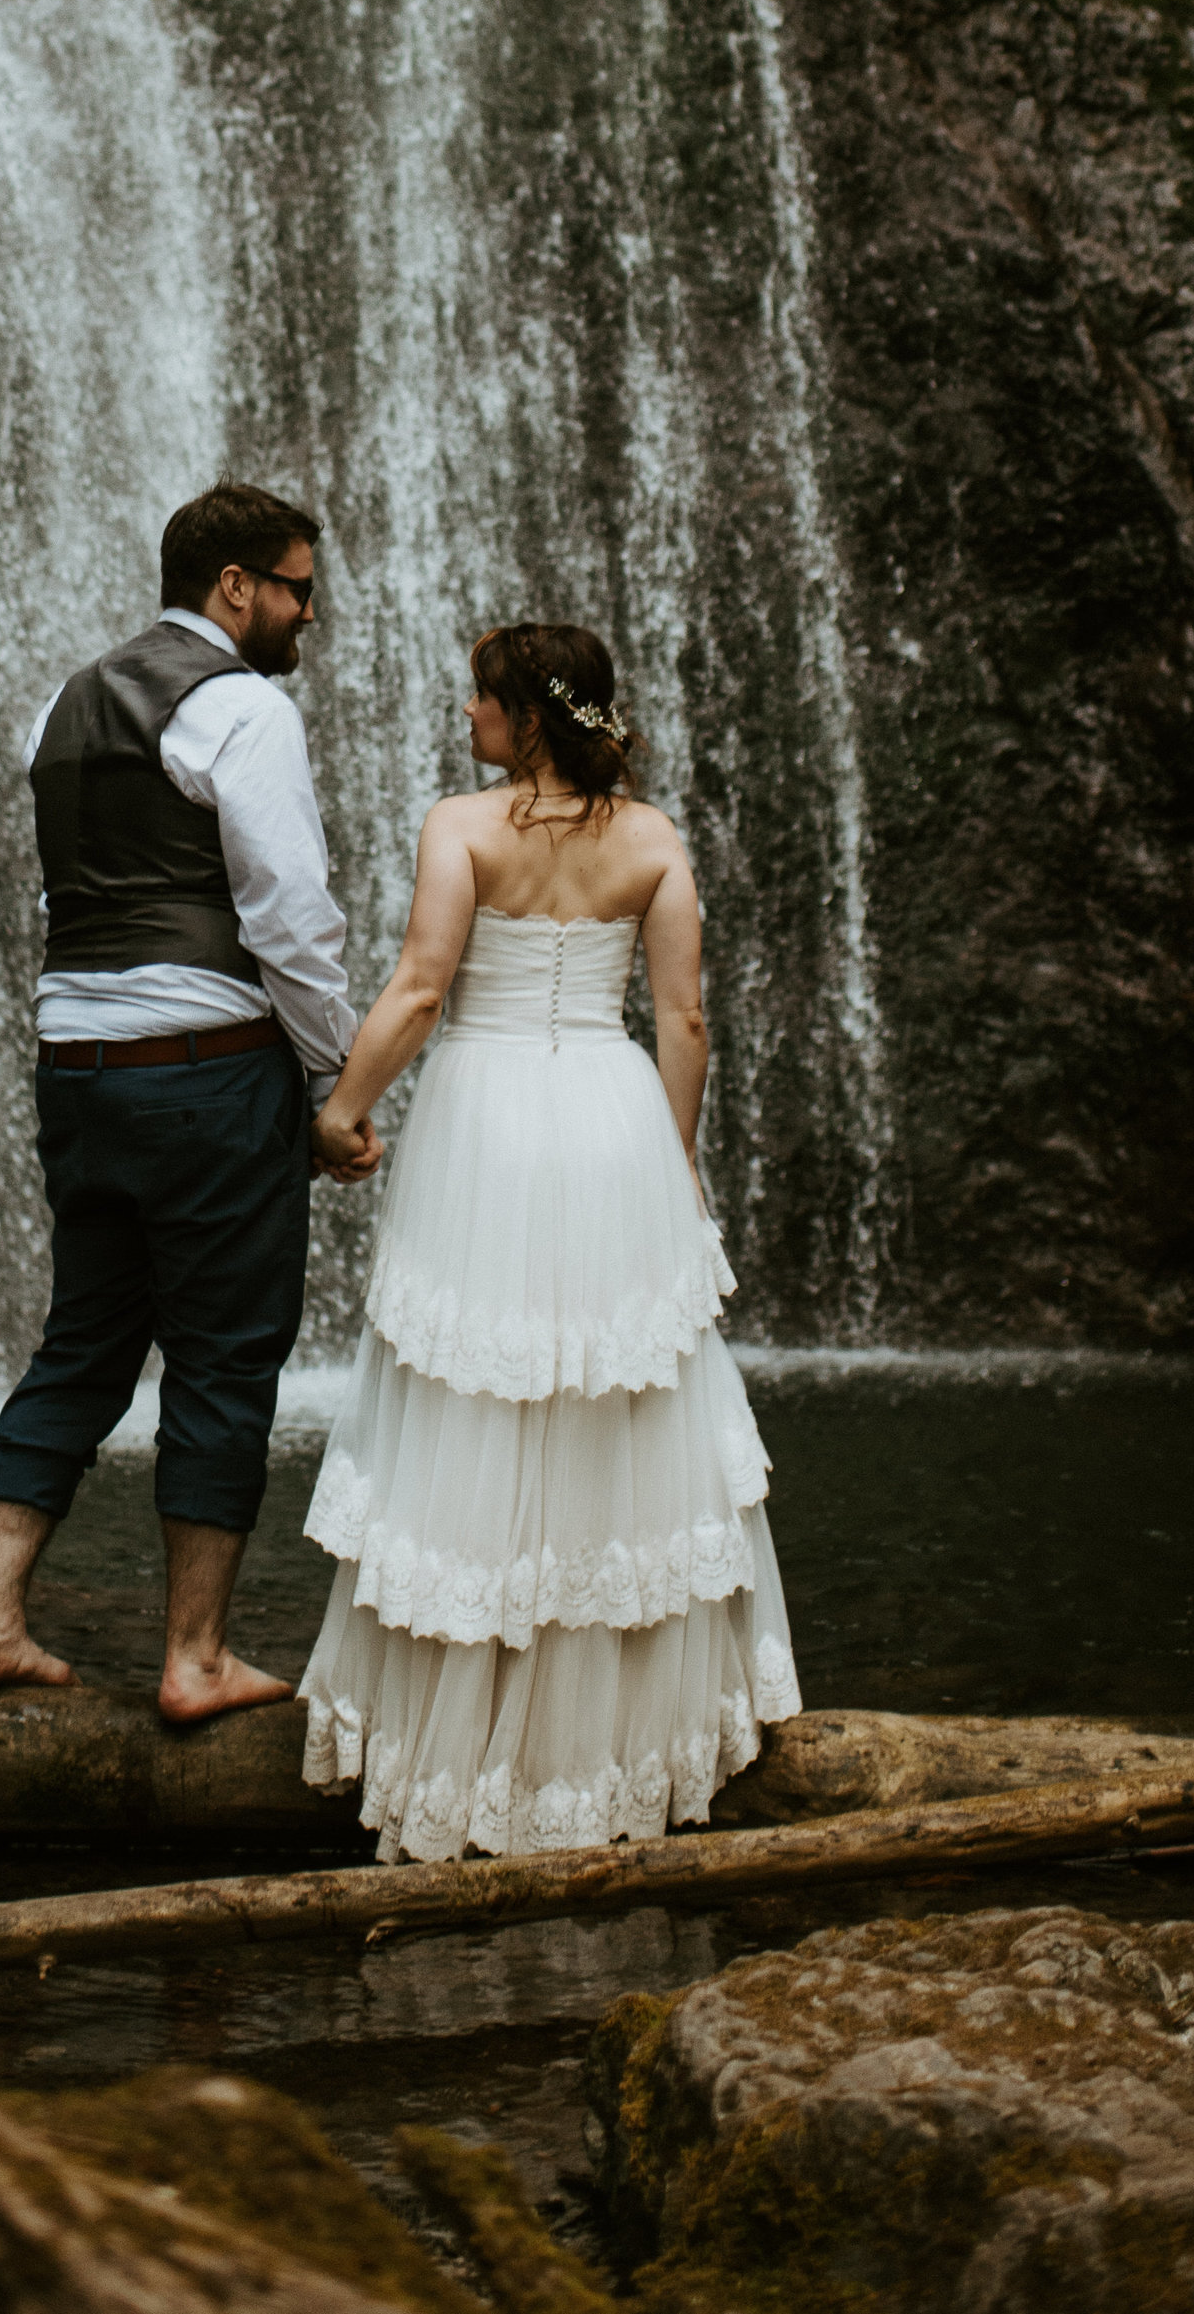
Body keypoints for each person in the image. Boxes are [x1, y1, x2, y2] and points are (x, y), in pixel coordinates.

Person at [295, 621, 798, 1858]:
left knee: (481, 1405)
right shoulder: (652, 837)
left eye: (480, 697)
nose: (465, 713)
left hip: (489, 1124)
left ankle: (468, 1747)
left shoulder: (461, 826)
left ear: (526, 714)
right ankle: (614, 1744)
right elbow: (680, 1015)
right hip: (613, 1119)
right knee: (612, 1411)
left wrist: (342, 1111)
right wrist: (671, 1164)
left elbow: (421, 987)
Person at [0, 481, 379, 1724]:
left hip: (74, 1066)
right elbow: (290, 921)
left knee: (81, 1341)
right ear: (232, 586)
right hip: (206, 1070)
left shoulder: (59, 704)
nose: (307, 609)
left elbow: (62, 904)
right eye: (295, 584)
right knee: (226, 1355)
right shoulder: (244, 708)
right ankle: (194, 1658)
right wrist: (334, 1081)